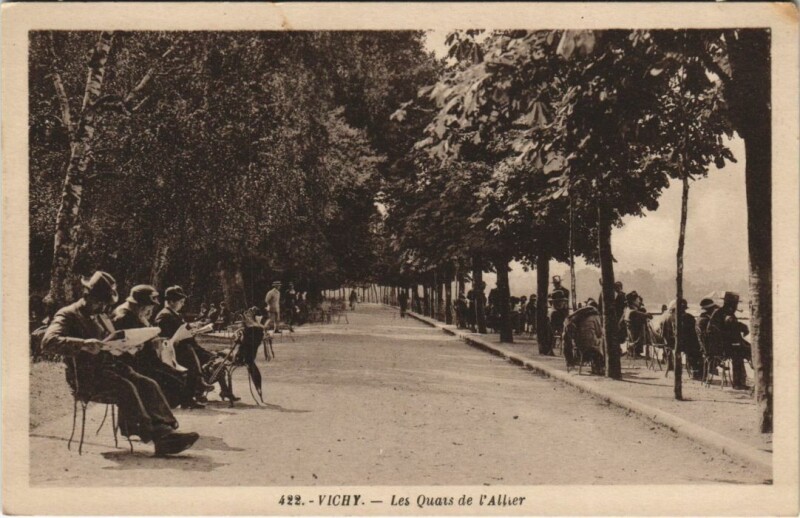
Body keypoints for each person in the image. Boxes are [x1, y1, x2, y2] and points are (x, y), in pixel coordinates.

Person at [42, 271, 198, 456]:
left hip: (111, 369)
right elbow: (48, 342)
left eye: (105, 304)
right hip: (85, 376)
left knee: (148, 384)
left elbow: (113, 340)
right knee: (126, 387)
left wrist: (130, 346)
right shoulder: (68, 314)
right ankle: (158, 437)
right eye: (99, 302)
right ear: (87, 295)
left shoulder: (100, 315)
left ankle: (167, 430)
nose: (102, 307)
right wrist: (83, 344)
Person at [112, 285, 190, 409]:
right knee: (174, 382)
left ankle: (157, 411)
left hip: (145, 361)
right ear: (140, 305)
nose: (150, 312)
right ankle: (154, 412)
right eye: (149, 308)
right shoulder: (125, 317)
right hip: (134, 364)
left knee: (178, 377)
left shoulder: (136, 314)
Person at [155, 286, 226, 405]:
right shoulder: (164, 315)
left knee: (213, 358)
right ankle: (197, 387)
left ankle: (202, 389)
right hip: (175, 350)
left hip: (186, 346)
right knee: (191, 355)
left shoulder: (173, 314)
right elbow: (166, 336)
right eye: (180, 302)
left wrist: (192, 329)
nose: (182, 304)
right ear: (171, 301)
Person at [708, 292, 751, 389]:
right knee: (742, 354)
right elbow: (731, 328)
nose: (736, 306)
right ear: (731, 304)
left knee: (744, 349)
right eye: (735, 303)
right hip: (721, 347)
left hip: (718, 346)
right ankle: (738, 383)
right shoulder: (726, 314)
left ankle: (741, 381)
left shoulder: (720, 312)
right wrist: (743, 327)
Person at [660, 298, 703, 380]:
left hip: (669, 344)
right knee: (696, 348)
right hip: (679, 345)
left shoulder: (665, 317)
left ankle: (695, 371)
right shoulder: (686, 318)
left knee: (694, 346)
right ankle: (696, 372)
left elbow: (663, 334)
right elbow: (692, 334)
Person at [563, 301, 605, 374]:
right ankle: (599, 367)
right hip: (591, 347)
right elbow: (599, 333)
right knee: (602, 341)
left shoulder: (579, 316)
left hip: (579, 346)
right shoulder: (596, 316)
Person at [621, 290, 651, 357]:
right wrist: (646, 314)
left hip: (632, 337)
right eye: (638, 300)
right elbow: (646, 315)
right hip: (637, 339)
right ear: (634, 301)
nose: (639, 301)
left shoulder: (627, 310)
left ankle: (635, 350)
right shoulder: (633, 312)